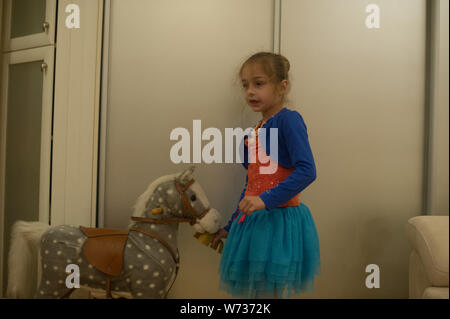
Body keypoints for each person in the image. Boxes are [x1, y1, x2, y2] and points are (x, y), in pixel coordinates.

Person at [212, 52, 321, 299]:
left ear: (282, 87)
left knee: (269, 292)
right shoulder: (253, 132)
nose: (250, 91)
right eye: (245, 85)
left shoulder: (288, 121)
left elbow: (307, 171)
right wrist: (231, 225)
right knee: (258, 294)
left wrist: (265, 200)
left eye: (259, 84)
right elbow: (253, 184)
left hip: (278, 222)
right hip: (253, 223)